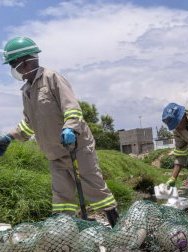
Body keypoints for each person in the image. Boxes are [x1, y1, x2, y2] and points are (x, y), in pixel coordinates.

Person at [0, 37, 119, 226]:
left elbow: (72, 108)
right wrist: (9, 137)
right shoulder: (26, 90)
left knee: (94, 188)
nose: (15, 69)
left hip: (75, 147)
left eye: (15, 64)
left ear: (27, 61)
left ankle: (116, 225)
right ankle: (65, 235)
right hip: (54, 153)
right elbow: (30, 123)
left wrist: (70, 128)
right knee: (61, 198)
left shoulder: (52, 78)